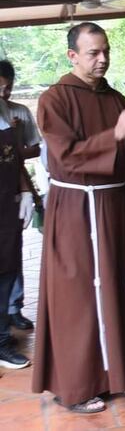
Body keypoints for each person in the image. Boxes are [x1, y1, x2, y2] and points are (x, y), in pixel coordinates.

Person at [32, 22, 125, 413]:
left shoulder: (116, 99)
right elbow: (66, 157)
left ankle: (116, 373)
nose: (102, 58)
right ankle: (76, 385)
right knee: (78, 296)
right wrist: (115, 135)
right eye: (93, 52)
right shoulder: (53, 100)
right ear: (72, 55)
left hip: (114, 207)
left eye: (105, 50)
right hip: (75, 208)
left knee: (117, 287)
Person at [0, 60, 40, 332]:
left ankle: (14, 308)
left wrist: (14, 149)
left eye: (8, 86)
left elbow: (35, 148)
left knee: (12, 251)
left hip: (13, 186)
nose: (4, 92)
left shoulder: (20, 112)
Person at [0, 98, 34, 369]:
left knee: (8, 272)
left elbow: (15, 158)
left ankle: (2, 340)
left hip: (7, 208)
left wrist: (25, 190)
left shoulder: (3, 112)